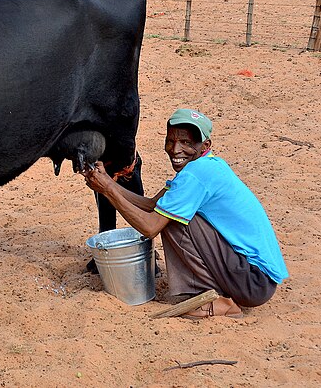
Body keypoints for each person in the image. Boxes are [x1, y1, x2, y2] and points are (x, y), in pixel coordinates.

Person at [82, 108, 288, 318]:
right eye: (170, 141)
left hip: (253, 282)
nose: (176, 149)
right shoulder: (206, 165)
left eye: (187, 143)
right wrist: (107, 182)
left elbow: (150, 227)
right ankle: (211, 291)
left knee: (172, 220)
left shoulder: (197, 175)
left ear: (205, 146)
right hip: (256, 280)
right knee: (168, 212)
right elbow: (154, 204)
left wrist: (107, 189)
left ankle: (215, 299)